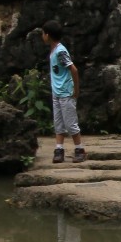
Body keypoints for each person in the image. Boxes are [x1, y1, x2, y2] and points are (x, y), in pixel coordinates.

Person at [42, 21, 87, 163]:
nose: (42, 36)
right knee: (59, 122)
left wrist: (76, 89)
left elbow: (73, 69)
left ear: (47, 35)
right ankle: (59, 149)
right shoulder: (54, 50)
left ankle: (79, 149)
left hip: (66, 92)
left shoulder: (60, 51)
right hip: (57, 92)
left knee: (70, 122)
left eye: (43, 33)